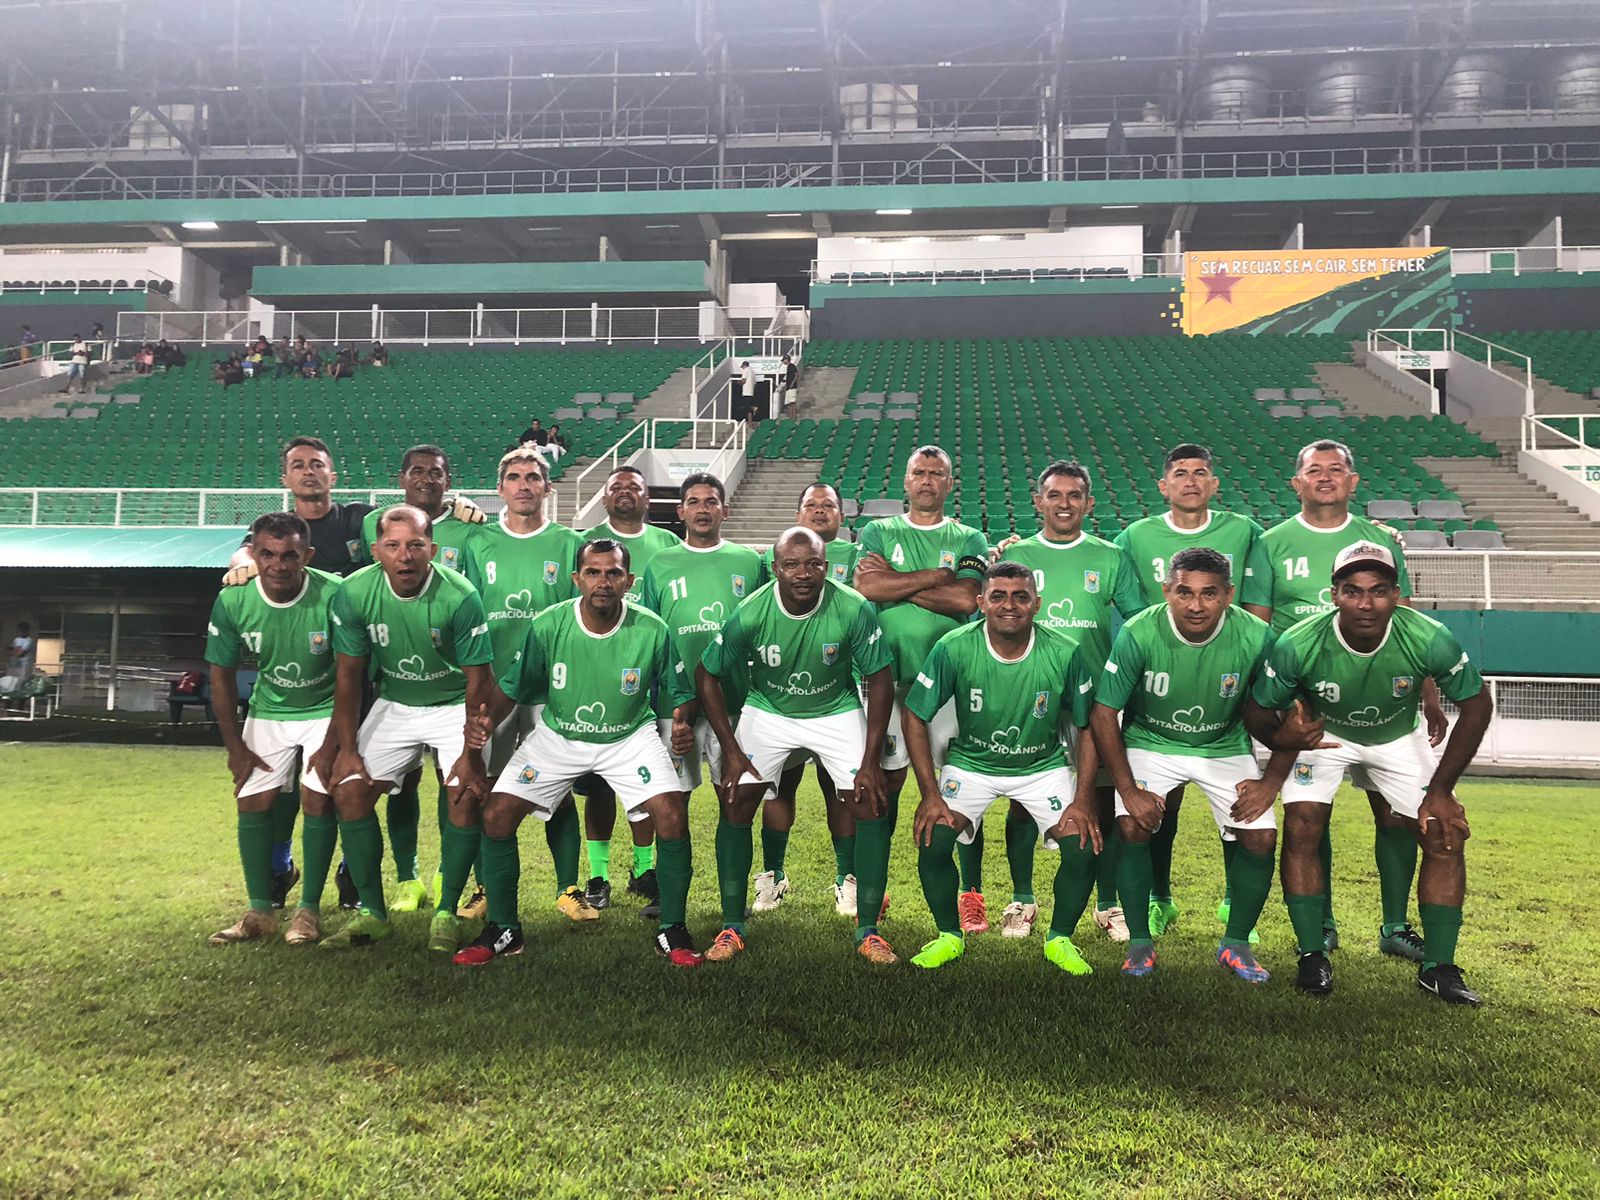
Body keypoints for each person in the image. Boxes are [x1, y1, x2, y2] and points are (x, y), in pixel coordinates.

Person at [1247, 541, 1492, 1005]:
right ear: (1334, 594)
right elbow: (1258, 709)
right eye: (1353, 591)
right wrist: (1286, 739)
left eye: (1379, 591)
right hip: (1325, 736)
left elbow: (1478, 704)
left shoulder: (1429, 636)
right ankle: (1312, 954)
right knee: (1303, 826)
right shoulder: (1298, 642)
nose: (1366, 603)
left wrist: (1441, 789)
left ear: (1396, 594)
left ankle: (1438, 967)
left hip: (1397, 735)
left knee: (1445, 832)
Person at [450, 539, 703, 967]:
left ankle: (673, 928)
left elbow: (681, 693)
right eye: (593, 572)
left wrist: (680, 723)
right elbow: (514, 686)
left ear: (629, 581)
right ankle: (503, 927)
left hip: (628, 736)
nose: (603, 582)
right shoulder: (549, 625)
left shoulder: (652, 628)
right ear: (576, 579)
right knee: (495, 814)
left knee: (672, 814)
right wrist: (486, 719)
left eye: (613, 573)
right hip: (559, 735)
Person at [1262, 439, 1444, 960]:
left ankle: (1394, 927)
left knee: (1393, 813)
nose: (1325, 477)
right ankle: (1321, 923)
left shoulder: (1380, 541)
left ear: (1353, 481)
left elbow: (1409, 626)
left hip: (1385, 704)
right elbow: (1258, 625)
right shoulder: (1271, 542)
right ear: (1296, 482)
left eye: (1336, 469)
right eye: (1313, 470)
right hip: (1307, 709)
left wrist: (1429, 696)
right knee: (1308, 815)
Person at [697, 526, 895, 963]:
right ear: (775, 568)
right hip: (769, 710)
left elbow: (879, 678)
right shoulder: (751, 612)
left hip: (835, 709)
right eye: (791, 564)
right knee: (735, 801)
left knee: (870, 801)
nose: (803, 573)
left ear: (827, 566)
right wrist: (732, 752)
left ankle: (869, 930)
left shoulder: (853, 608)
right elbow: (707, 673)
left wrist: (870, 760)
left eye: (813, 564)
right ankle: (732, 925)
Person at [1090, 548, 1289, 981]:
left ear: (1229, 595)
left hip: (1223, 743)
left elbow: (1289, 715)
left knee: (1261, 835)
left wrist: (1270, 783)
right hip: (1151, 741)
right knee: (1131, 824)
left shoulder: (1257, 636)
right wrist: (1128, 791)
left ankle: (1236, 944)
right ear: (1167, 591)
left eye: (1209, 593)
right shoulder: (1139, 632)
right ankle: (1140, 943)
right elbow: (1104, 713)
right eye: (1184, 592)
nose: (1195, 605)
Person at [905, 562, 1103, 973]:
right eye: (998, 596)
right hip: (972, 763)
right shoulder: (954, 646)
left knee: (1082, 846)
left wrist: (1083, 800)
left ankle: (1060, 939)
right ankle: (948, 935)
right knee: (933, 838)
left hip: (1041, 765)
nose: (1008, 605)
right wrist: (930, 794)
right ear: (980, 603)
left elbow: (1088, 727)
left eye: (1020, 596)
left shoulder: (1065, 651)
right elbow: (914, 715)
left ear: (1037, 604)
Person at [1112, 443, 1274, 939]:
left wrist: (1239, 664)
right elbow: (1134, 611)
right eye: (1179, 473)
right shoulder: (1134, 536)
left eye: (1200, 472)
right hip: (1158, 684)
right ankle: (1159, 899)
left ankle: (1233, 902)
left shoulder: (1245, 530)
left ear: (1213, 482)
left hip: (1228, 685)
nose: (1189, 481)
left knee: (1246, 813)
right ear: (1163, 485)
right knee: (1160, 807)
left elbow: (1257, 605)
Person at [324, 505, 495, 951]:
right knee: (349, 789)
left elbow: (479, 680)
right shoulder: (354, 592)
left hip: (452, 703)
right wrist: (346, 749)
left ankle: (447, 912)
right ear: (376, 551)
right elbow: (348, 675)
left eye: (416, 545)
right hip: (396, 702)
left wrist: (470, 754)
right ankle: (373, 913)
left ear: (432, 549)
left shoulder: (459, 595)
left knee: (462, 793)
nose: (405, 556)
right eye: (394, 546)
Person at [998, 461, 1143, 942]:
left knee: (1101, 799)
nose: (1064, 503)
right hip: (1028, 695)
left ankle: (1108, 905)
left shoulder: (1111, 556)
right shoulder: (1015, 553)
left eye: (1074, 495)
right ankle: (1021, 898)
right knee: (1022, 797)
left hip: (1094, 701)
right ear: (1037, 501)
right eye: (1054, 495)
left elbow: (1140, 622)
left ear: (1088, 503)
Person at [852, 446, 986, 922]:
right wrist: (934, 576)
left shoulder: (969, 535)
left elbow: (969, 600)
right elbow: (867, 588)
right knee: (884, 785)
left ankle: (971, 894)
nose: (927, 480)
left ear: (950, 484)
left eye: (937, 474)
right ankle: (875, 890)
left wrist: (898, 580)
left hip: (952, 688)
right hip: (890, 681)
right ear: (905, 482)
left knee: (962, 786)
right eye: (919, 473)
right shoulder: (878, 530)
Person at [203, 513, 342, 946]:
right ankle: (259, 911)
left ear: (308, 555)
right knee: (253, 800)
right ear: (253, 553)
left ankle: (309, 912)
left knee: (318, 798)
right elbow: (221, 677)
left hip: (325, 706)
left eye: (289, 555)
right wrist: (235, 747)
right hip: (269, 709)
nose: (278, 565)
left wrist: (337, 739)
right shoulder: (233, 600)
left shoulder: (336, 595)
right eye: (267, 554)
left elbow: (354, 675)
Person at [356, 445, 484, 913]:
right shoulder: (375, 520)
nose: (426, 479)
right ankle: (407, 876)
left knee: (453, 781)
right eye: (417, 472)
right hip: (393, 677)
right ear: (401, 477)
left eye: (436, 473)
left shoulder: (470, 530)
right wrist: (244, 549)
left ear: (449, 481)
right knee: (400, 783)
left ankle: (449, 875)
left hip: (450, 674)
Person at [465, 447, 589, 921]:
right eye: (514, 477)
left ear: (547, 488)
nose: (523, 485)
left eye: (533, 477)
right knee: (487, 785)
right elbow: (467, 617)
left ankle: (569, 888)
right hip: (494, 688)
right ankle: (484, 887)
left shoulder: (567, 543)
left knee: (555, 788)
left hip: (549, 690)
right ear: (500, 489)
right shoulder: (479, 543)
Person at [638, 474, 766, 907]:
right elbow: (649, 636)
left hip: (736, 703)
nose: (703, 508)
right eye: (693, 501)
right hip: (675, 706)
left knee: (736, 799)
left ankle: (733, 895)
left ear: (725, 510)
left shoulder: (750, 562)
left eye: (712, 501)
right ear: (680, 513)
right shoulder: (660, 564)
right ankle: (669, 894)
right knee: (672, 803)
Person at [580, 465, 682, 905]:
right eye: (616, 487)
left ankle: (644, 869)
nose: (625, 493)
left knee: (649, 782)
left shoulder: (668, 545)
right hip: (594, 677)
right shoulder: (585, 539)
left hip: (650, 679)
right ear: (604, 498)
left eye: (634, 487)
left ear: (648, 498)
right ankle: (597, 876)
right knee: (597, 785)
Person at [765, 482, 862, 913]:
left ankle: (846, 878)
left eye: (828, 506)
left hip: (839, 693)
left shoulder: (860, 558)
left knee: (839, 789)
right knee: (778, 787)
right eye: (811, 505)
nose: (820, 511)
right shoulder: (771, 560)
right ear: (797, 512)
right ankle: (773, 875)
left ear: (843, 515)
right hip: (782, 695)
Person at [777, 353, 798, 419]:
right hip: (788, 387)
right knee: (788, 402)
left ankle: (793, 416)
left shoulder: (792, 366)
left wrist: (792, 383)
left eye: (784, 360)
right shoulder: (788, 367)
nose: (783, 362)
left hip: (792, 387)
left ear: (787, 360)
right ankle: (790, 416)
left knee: (792, 402)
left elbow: (796, 375)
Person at [737, 359, 757, 426]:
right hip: (751, 391)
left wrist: (738, 382)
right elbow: (755, 383)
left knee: (746, 408)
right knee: (744, 406)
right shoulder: (753, 372)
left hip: (746, 391)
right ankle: (753, 408)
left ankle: (750, 422)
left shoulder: (745, 371)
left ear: (744, 366)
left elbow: (743, 381)